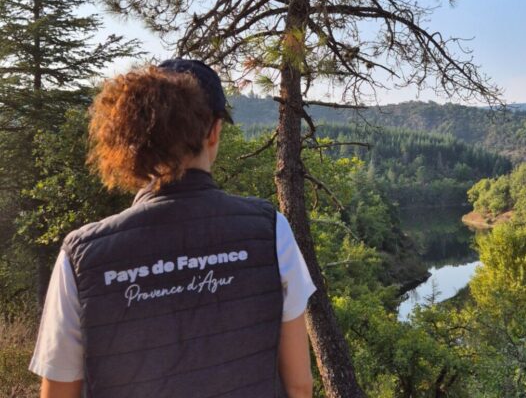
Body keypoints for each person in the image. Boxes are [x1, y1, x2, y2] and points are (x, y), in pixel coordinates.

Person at [29, 59, 315, 398]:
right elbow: (299, 386)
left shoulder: (81, 256)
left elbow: (58, 391)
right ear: (214, 131)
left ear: (139, 135)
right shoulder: (270, 230)